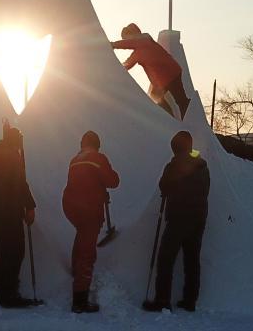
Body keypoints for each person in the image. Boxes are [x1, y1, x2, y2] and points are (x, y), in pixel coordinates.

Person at [144, 130, 210, 313]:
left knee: (166, 258)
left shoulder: (174, 165)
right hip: (199, 218)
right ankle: (190, 300)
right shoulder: (203, 166)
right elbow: (206, 190)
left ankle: (162, 300)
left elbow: (163, 186)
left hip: (179, 217)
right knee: (192, 259)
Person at [62, 131, 120, 314]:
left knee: (82, 235)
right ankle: (80, 300)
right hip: (88, 208)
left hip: (70, 206)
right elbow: (113, 181)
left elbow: (83, 181)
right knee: (87, 252)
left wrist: (98, 188)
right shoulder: (98, 158)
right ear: (97, 145)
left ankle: (75, 269)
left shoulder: (75, 159)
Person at [0, 124, 39, 308]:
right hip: (10, 212)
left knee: (2, 251)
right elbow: (21, 183)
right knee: (15, 251)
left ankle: (2, 292)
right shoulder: (13, 156)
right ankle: (9, 293)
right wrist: (30, 206)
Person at [110, 23, 190, 118]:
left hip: (169, 75)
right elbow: (128, 63)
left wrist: (113, 44)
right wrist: (117, 69)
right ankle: (172, 118)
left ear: (132, 35)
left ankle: (180, 117)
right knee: (161, 98)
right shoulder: (140, 49)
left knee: (177, 100)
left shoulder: (144, 40)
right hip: (167, 76)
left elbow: (130, 45)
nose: (126, 40)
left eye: (126, 38)